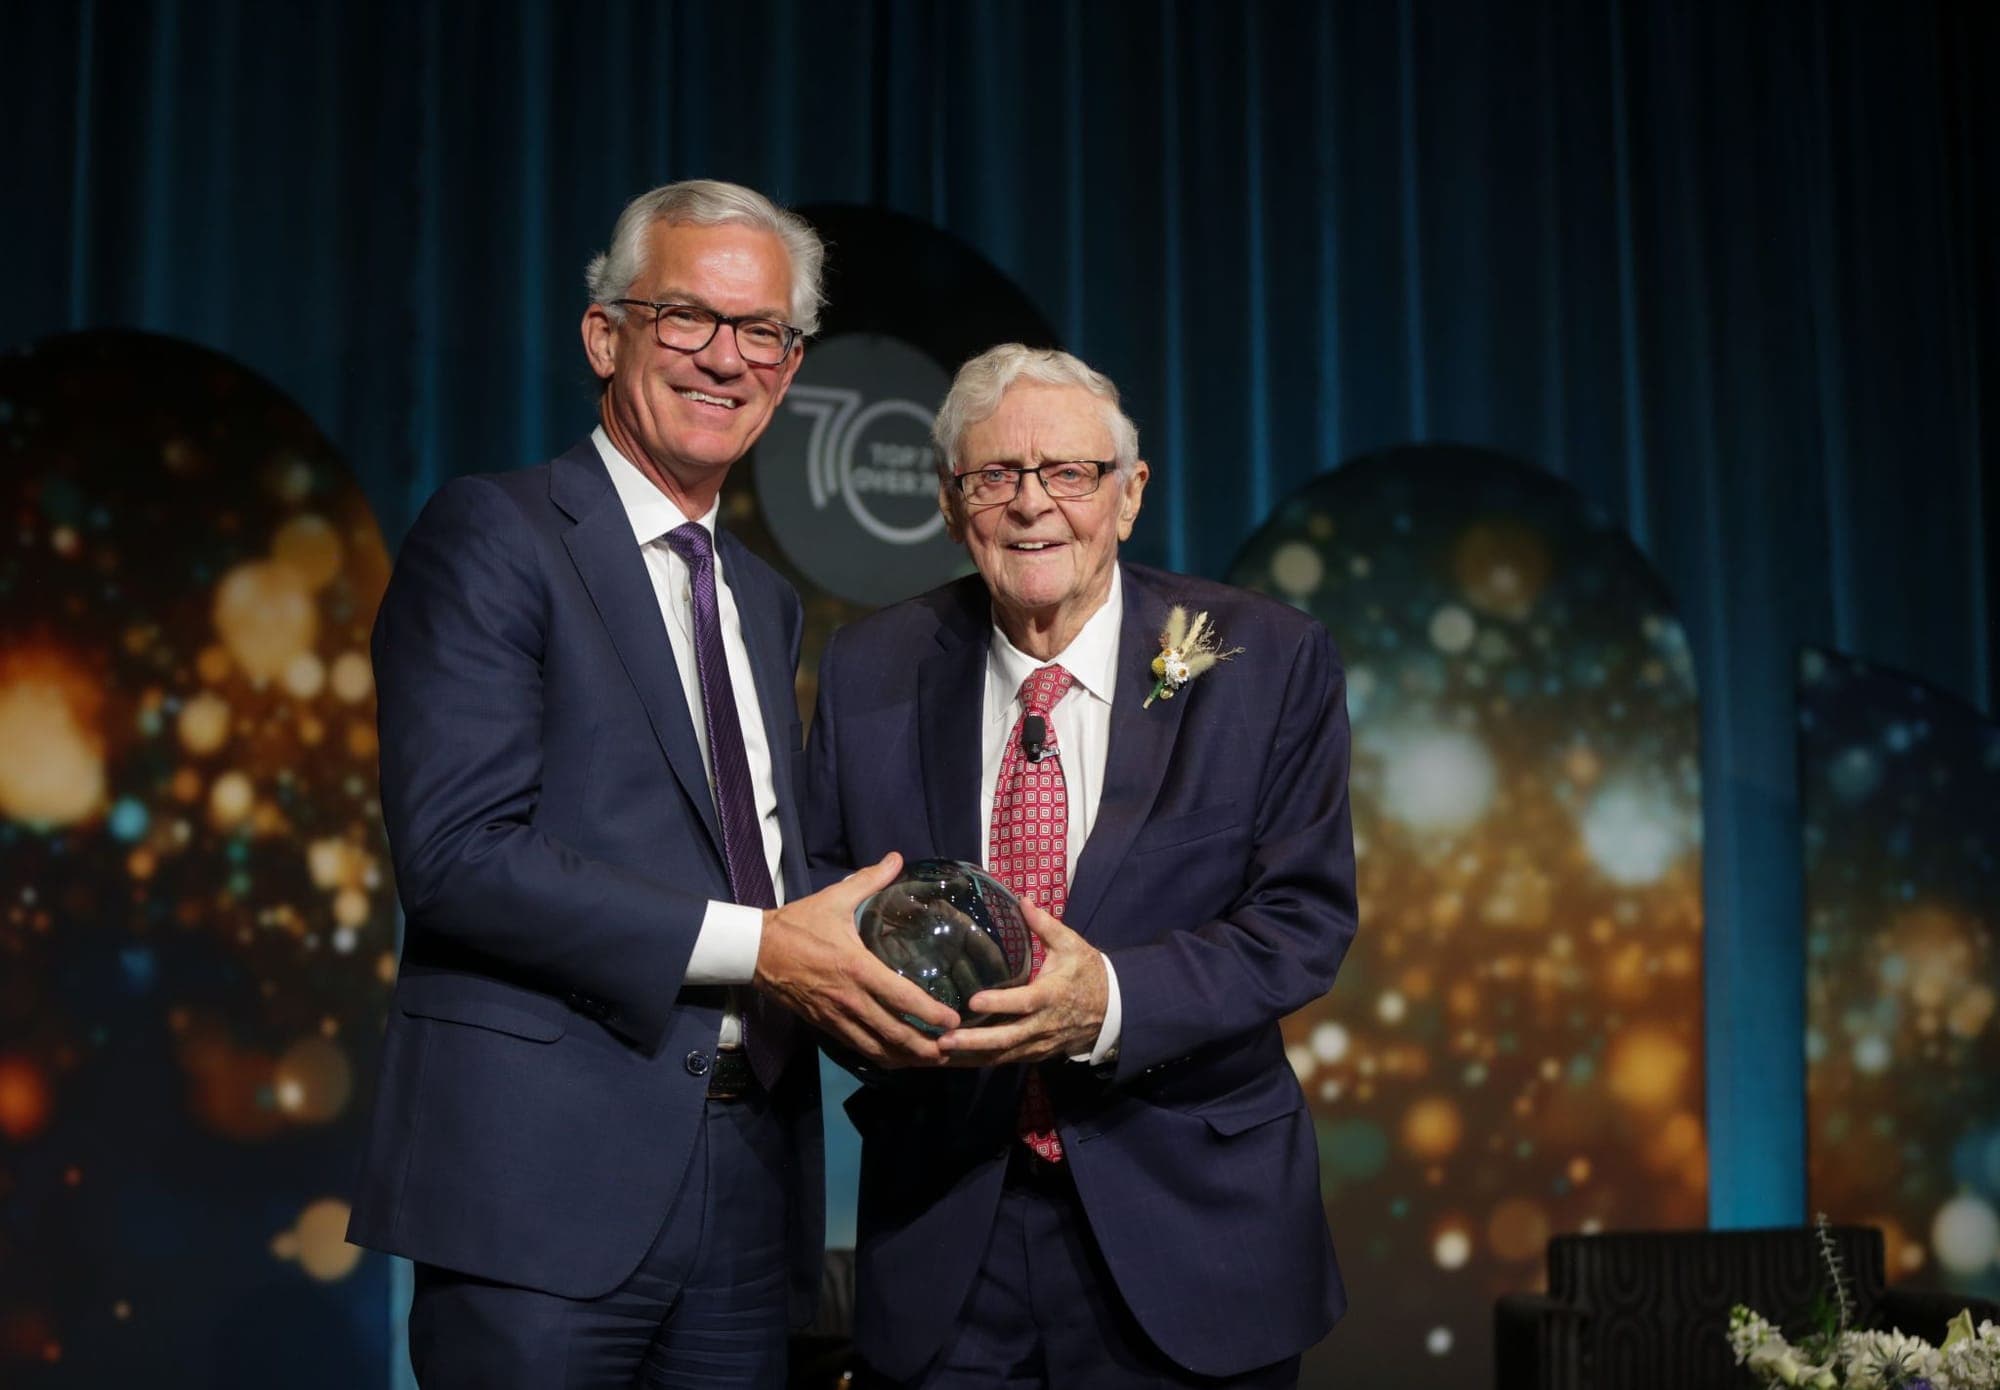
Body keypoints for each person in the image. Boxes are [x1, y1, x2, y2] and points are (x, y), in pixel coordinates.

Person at [347, 179, 955, 1389]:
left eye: (763, 333)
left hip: (745, 1180)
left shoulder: (761, 598)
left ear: (791, 367)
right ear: (603, 333)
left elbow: (764, 866)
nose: (725, 359)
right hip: (541, 1185)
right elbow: (460, 856)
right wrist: (765, 947)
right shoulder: (494, 533)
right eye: (687, 317)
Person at [804, 345, 1358, 1388]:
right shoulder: (868, 666)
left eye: (1067, 472)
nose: (1031, 506)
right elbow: (827, 906)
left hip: (1193, 1231)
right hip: (944, 1231)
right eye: (993, 476)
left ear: (1128, 493)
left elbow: (1300, 922)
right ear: (946, 500)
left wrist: (1101, 1000)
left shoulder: (1265, 660)